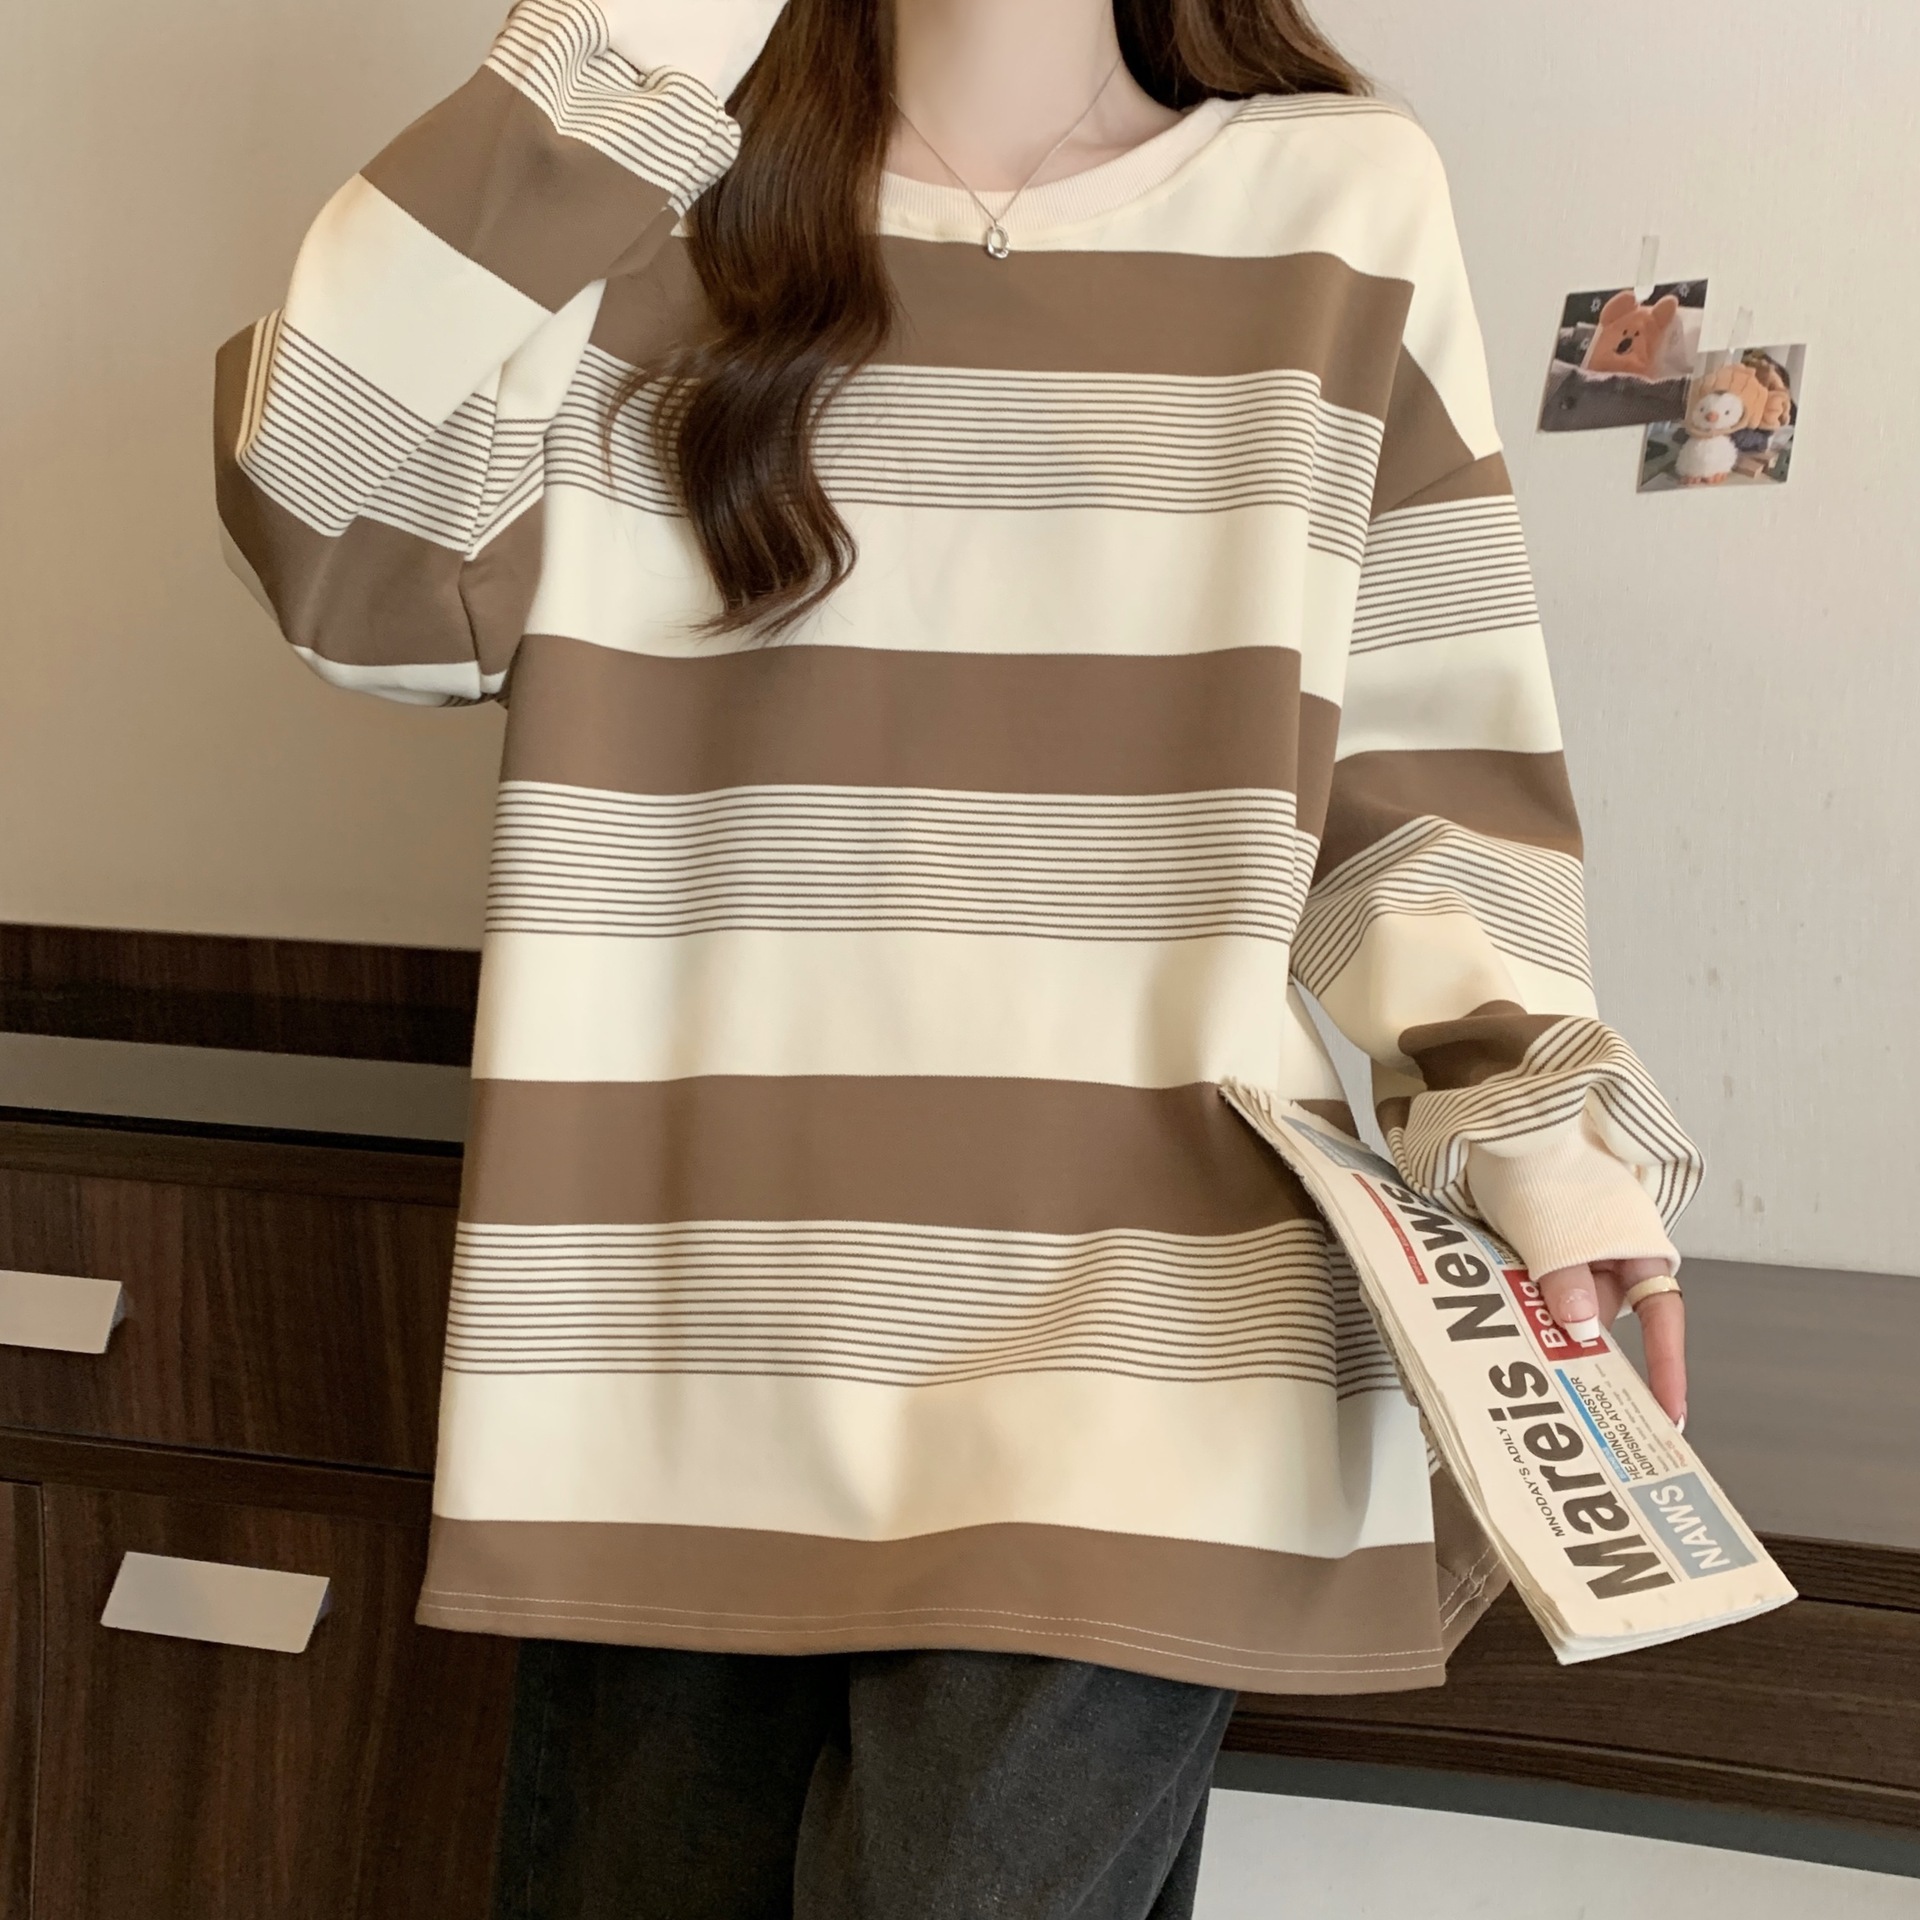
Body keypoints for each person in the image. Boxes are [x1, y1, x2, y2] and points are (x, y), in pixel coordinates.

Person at [213, 0, 1700, 1912]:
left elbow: (1417, 766)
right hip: (679, 1323)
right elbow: (334, 550)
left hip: (1160, 1334)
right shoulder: (639, 192)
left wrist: (1541, 1135)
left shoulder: (1339, 198)